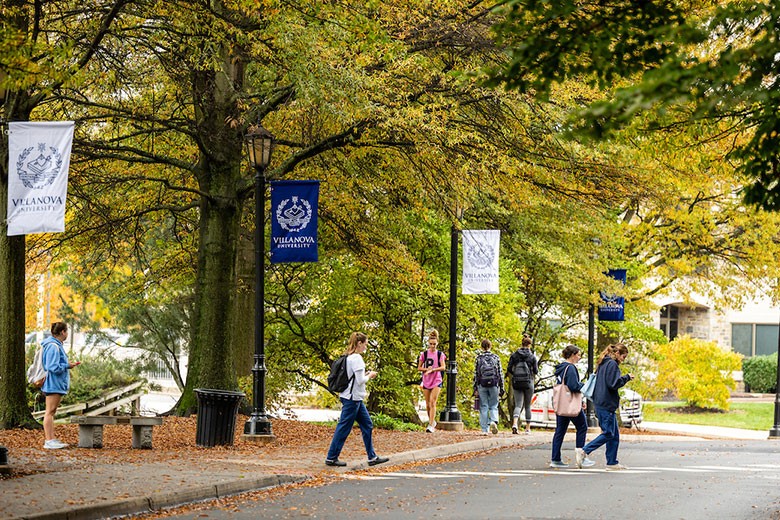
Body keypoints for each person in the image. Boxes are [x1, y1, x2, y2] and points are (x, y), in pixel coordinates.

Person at [325, 332, 389, 467]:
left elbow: (353, 377)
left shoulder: (348, 357)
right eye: (365, 344)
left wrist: (364, 375)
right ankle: (331, 457)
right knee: (344, 427)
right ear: (359, 343)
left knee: (367, 424)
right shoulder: (357, 359)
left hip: (352, 397)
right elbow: (360, 381)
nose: (366, 347)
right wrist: (370, 375)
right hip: (352, 399)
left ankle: (372, 457)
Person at [579, 343, 633, 471]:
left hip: (601, 402)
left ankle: (612, 462)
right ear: (617, 353)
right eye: (623, 357)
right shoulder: (612, 365)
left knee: (614, 435)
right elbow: (613, 384)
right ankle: (584, 451)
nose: (623, 360)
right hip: (606, 403)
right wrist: (626, 378)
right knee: (608, 433)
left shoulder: (603, 363)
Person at [549, 344, 596, 468]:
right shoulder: (570, 368)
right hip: (571, 406)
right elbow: (573, 386)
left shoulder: (561, 368)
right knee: (582, 427)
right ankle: (581, 455)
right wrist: (584, 387)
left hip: (561, 404)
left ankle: (555, 458)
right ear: (572, 355)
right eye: (578, 355)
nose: (579, 357)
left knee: (560, 431)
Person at [41, 322, 79, 450]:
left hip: (55, 383)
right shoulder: (53, 346)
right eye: (66, 331)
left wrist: (66, 364)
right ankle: (49, 440)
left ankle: (51, 439)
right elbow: (52, 367)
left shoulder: (55, 345)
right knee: (49, 412)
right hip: (53, 383)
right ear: (62, 332)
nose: (67, 334)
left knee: (51, 412)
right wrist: (67, 365)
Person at [506, 335, 538, 434]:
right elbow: (536, 371)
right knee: (527, 405)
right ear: (529, 345)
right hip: (529, 382)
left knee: (518, 404)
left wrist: (515, 374)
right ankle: (528, 428)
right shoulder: (532, 356)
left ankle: (515, 424)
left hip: (517, 382)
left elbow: (509, 368)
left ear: (522, 343)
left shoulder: (515, 355)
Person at [418, 329, 446, 433]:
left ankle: (430, 425)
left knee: (433, 401)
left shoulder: (440, 354)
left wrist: (433, 369)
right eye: (430, 344)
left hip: (436, 379)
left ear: (437, 343)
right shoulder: (424, 354)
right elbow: (419, 368)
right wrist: (427, 370)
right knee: (428, 404)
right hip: (426, 380)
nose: (432, 346)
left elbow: (443, 367)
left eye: (434, 344)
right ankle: (432, 421)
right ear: (428, 343)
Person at [473, 339, 503, 435]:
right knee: (494, 405)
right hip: (494, 383)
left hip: (482, 384)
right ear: (491, 346)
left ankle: (484, 429)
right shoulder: (496, 357)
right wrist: (501, 387)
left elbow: (476, 374)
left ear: (482, 347)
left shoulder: (479, 358)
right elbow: (500, 373)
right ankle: (493, 421)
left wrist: (475, 388)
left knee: (483, 406)